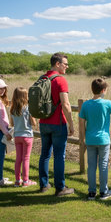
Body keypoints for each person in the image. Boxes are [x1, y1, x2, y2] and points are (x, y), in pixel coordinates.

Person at [38, 53, 75, 197]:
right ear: (57, 64)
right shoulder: (60, 80)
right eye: (65, 64)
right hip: (58, 123)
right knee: (59, 156)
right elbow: (65, 104)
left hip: (43, 122)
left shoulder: (42, 78)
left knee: (45, 155)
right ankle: (60, 188)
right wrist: (71, 124)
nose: (67, 66)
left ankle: (44, 184)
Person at [9, 87, 37, 187]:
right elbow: (33, 123)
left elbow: (11, 124)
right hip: (27, 136)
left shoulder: (12, 109)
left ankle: (17, 180)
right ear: (25, 96)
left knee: (18, 158)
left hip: (17, 136)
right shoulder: (28, 108)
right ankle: (26, 181)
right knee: (26, 158)